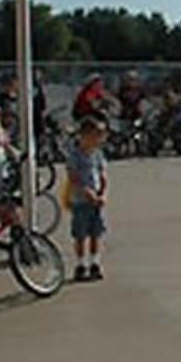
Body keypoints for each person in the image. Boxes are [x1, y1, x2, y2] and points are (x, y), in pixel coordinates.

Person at [67, 112, 109, 283]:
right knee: (80, 234)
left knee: (96, 233)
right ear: (84, 136)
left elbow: (103, 175)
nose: (99, 140)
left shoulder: (97, 154)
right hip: (81, 201)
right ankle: (80, 264)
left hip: (96, 202)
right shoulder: (76, 155)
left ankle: (95, 262)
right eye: (96, 135)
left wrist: (102, 194)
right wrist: (86, 192)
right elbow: (73, 177)